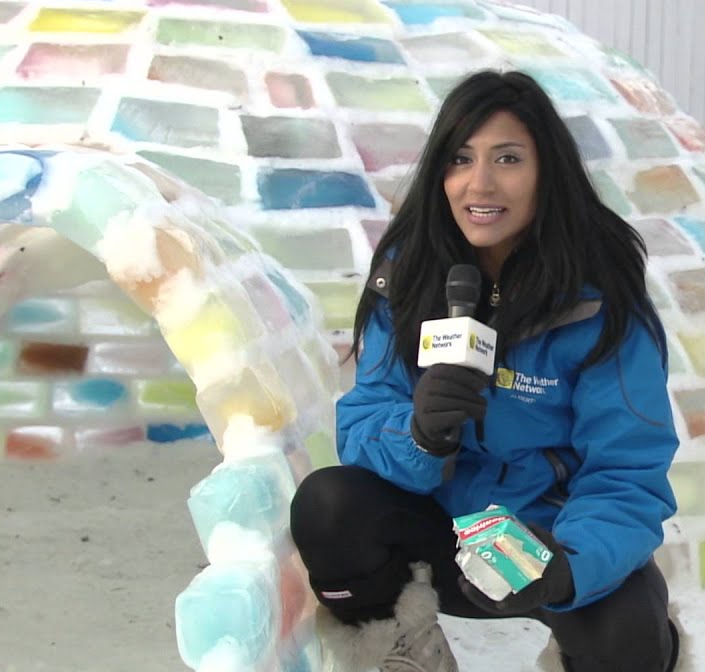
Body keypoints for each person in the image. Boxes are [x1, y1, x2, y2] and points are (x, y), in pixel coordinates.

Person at [290, 70, 682, 672]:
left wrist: (566, 565)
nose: (480, 183)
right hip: (439, 528)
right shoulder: (409, 270)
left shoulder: (601, 299)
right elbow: (364, 419)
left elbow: (627, 470)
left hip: (546, 537)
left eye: (507, 159)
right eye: (461, 159)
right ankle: (405, 654)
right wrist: (419, 435)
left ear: (547, 171)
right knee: (328, 505)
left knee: (628, 637)